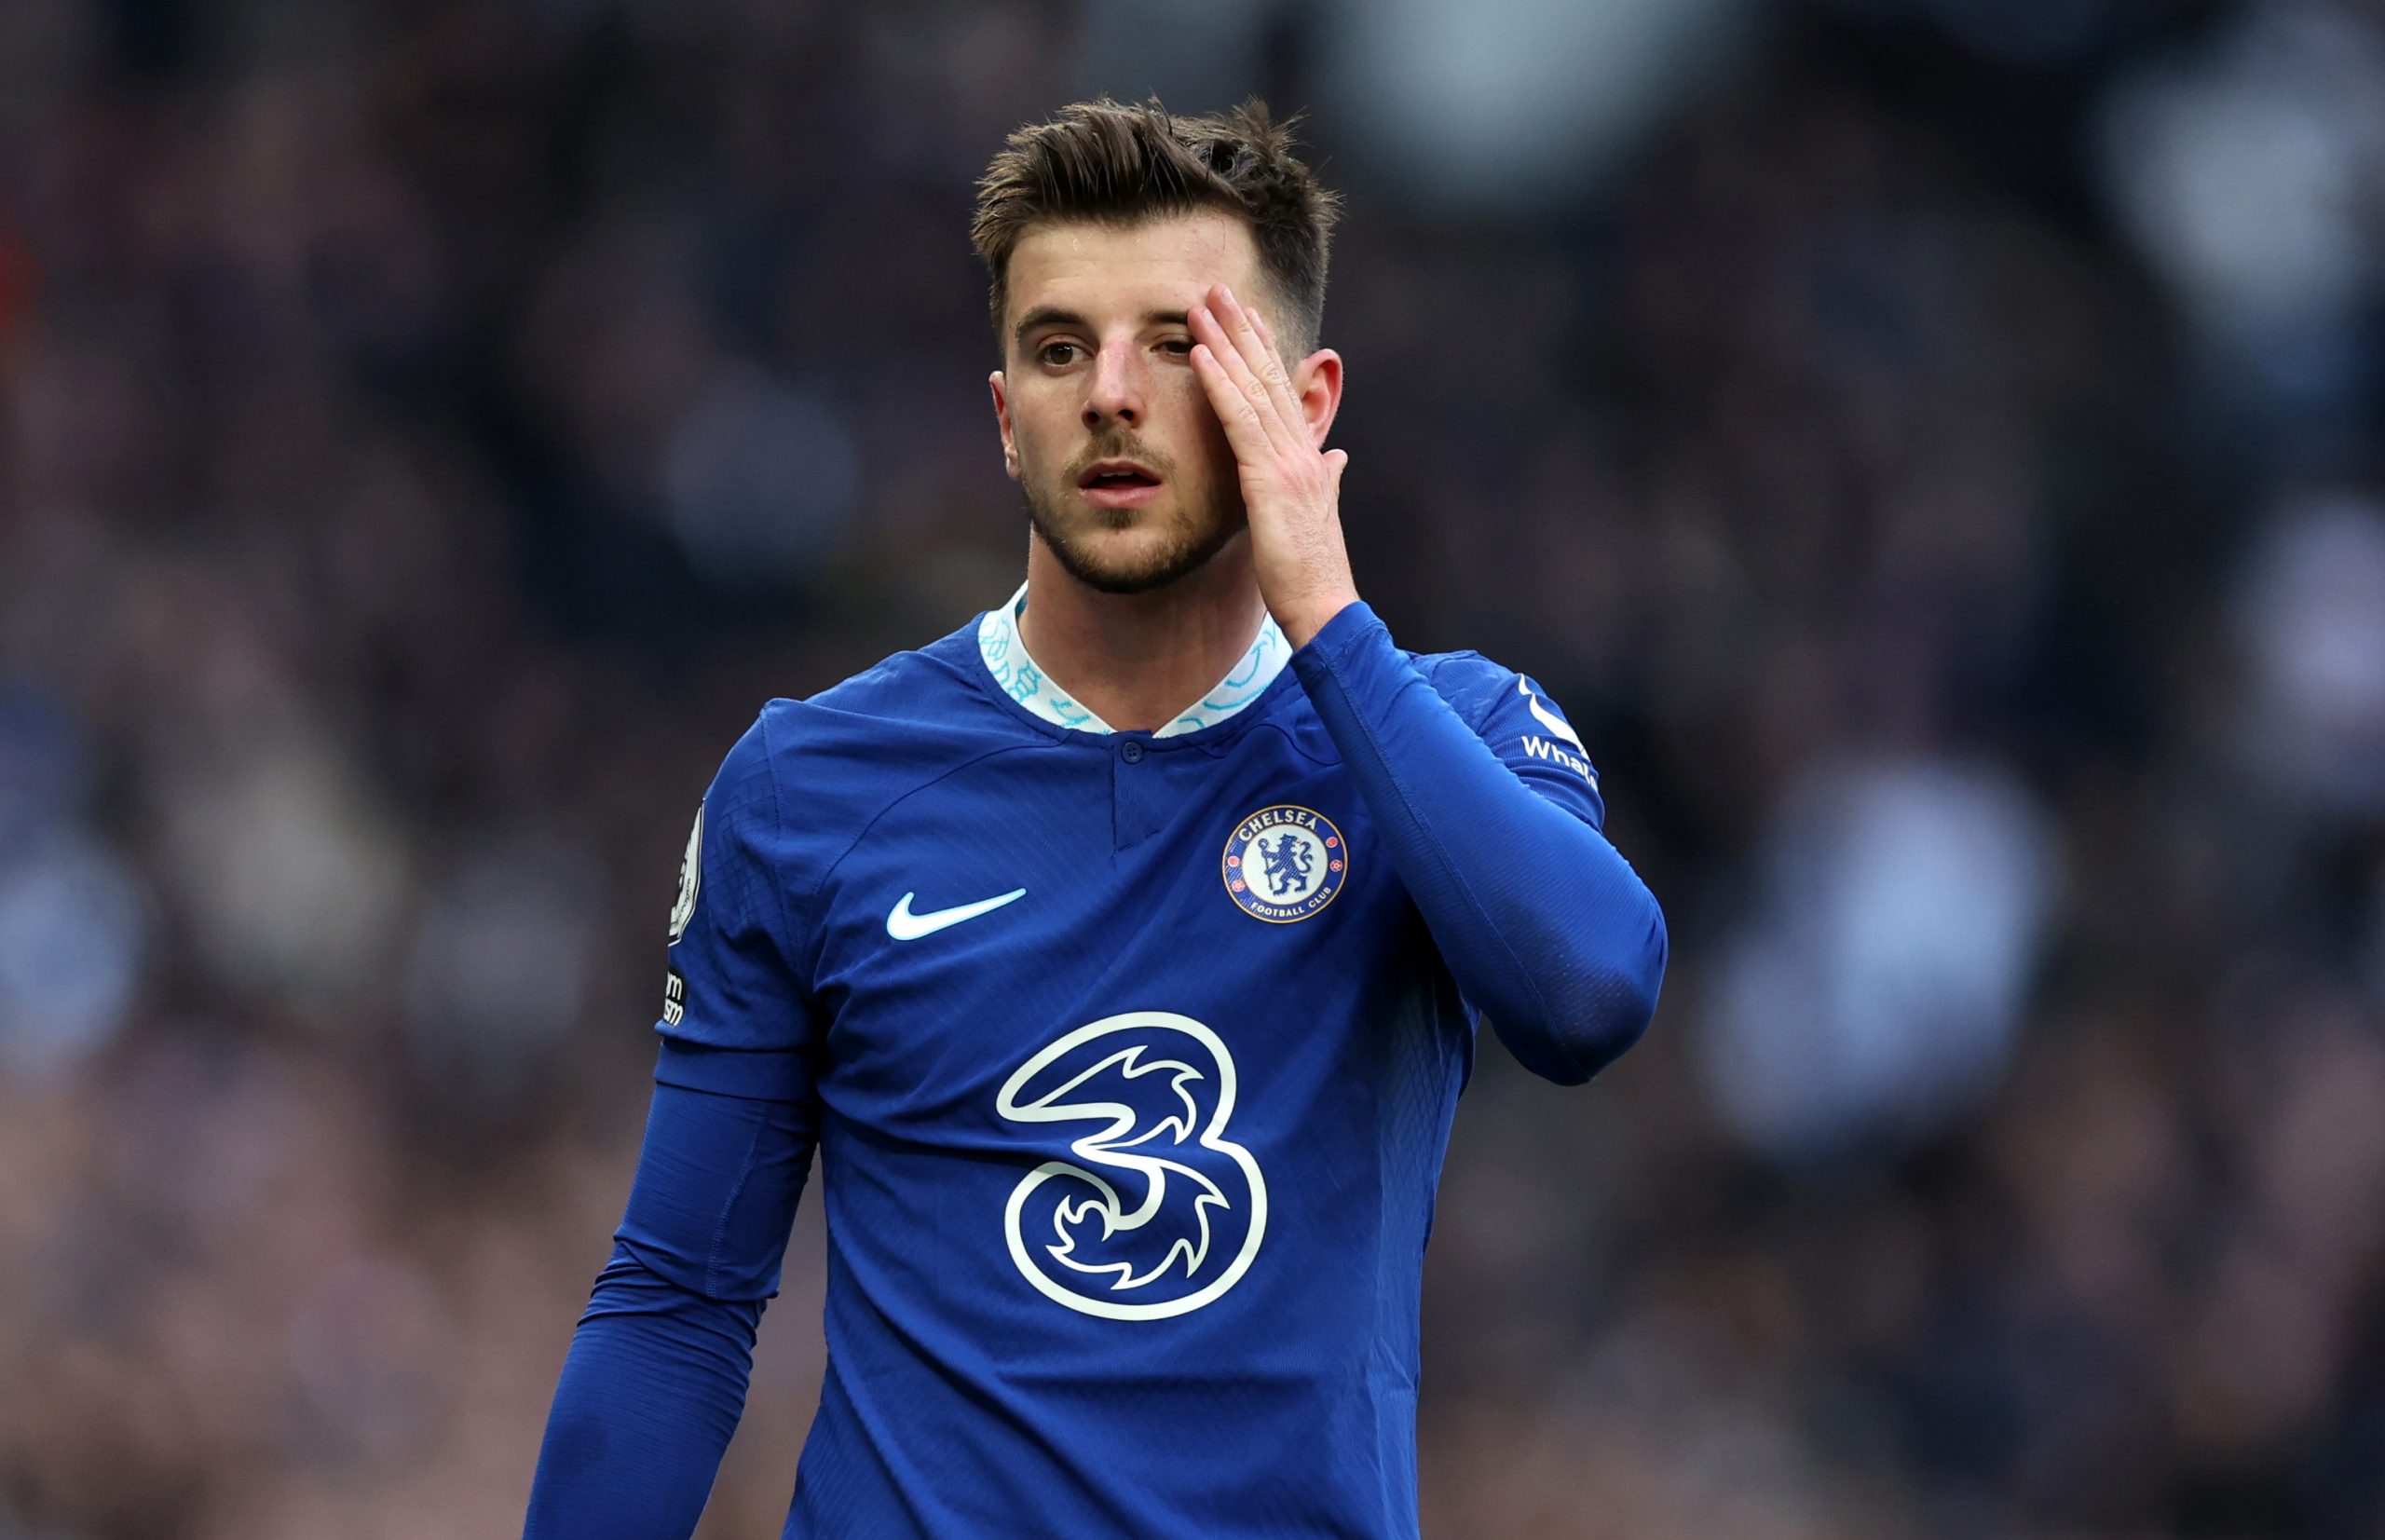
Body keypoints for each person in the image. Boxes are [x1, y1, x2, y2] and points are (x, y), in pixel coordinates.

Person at [524, 97, 1668, 1540]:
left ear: (1303, 404)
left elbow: (1589, 993)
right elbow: (678, 1306)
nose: (1111, 393)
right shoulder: (809, 787)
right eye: (1059, 348)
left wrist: (1328, 619)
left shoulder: (1453, 734)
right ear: (1007, 417)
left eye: (1181, 344)